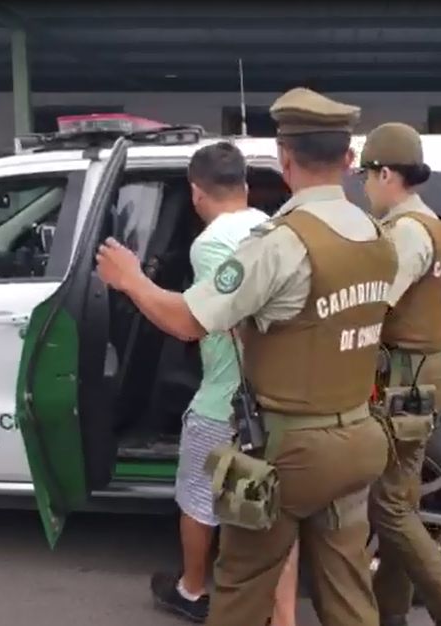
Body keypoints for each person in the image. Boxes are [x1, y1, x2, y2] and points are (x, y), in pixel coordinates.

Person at [95, 86, 395, 626]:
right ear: (349, 161)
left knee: (238, 586)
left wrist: (133, 280)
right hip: (358, 438)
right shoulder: (375, 235)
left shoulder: (279, 242)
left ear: (283, 159)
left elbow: (189, 321)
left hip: (277, 452)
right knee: (349, 593)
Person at [144, 141, 299, 625]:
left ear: (195, 193)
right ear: (246, 187)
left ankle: (192, 589)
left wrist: (134, 282)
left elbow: (203, 320)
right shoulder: (273, 228)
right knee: (273, 512)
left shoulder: (210, 244)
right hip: (279, 399)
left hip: (228, 402)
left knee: (198, 494)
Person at [359, 123, 441, 626]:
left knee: (388, 506)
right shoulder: (432, 222)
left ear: (386, 173)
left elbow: (374, 304)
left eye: (367, 175)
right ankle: (391, 615)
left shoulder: (408, 231)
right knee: (401, 503)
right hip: (421, 376)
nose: (364, 186)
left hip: (405, 383)